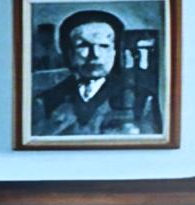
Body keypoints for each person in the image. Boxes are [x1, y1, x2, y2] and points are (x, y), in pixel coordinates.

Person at [33, 10, 162, 136]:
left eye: (104, 46)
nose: (95, 54)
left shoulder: (142, 99)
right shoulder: (46, 100)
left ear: (114, 51)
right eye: (83, 45)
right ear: (68, 51)